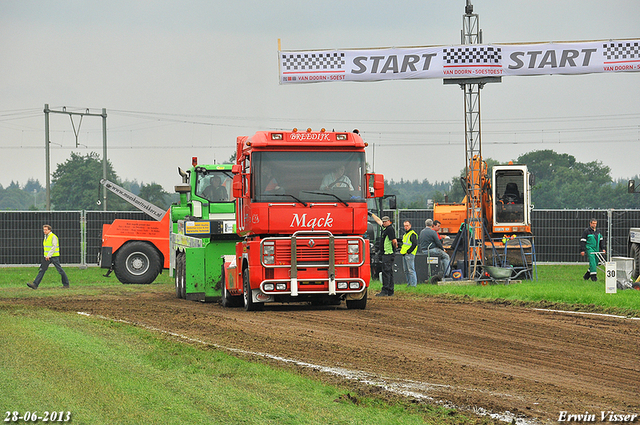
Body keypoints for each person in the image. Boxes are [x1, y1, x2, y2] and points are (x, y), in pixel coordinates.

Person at [27, 224, 69, 289]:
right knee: (42, 270)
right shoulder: (46, 237)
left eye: (46, 230)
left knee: (60, 270)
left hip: (53, 256)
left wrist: (49, 255)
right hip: (47, 256)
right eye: (44, 230)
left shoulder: (53, 236)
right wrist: (46, 256)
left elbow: (54, 246)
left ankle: (66, 284)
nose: (44, 231)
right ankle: (35, 284)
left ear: (49, 230)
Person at [370, 213, 397, 296]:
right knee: (389, 272)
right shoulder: (385, 228)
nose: (384, 223)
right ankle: (390, 290)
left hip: (388, 254)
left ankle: (385, 290)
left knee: (386, 272)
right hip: (388, 254)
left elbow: (394, 241)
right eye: (383, 222)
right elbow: (378, 220)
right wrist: (371, 214)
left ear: (389, 221)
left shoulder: (389, 229)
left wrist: (393, 249)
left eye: (385, 221)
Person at [400, 220, 418, 287]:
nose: (406, 227)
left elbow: (415, 244)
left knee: (411, 270)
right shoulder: (406, 234)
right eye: (405, 226)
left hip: (409, 254)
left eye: (407, 225)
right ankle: (409, 284)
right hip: (405, 254)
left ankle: (413, 285)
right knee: (406, 270)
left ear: (410, 226)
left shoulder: (412, 234)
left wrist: (409, 251)